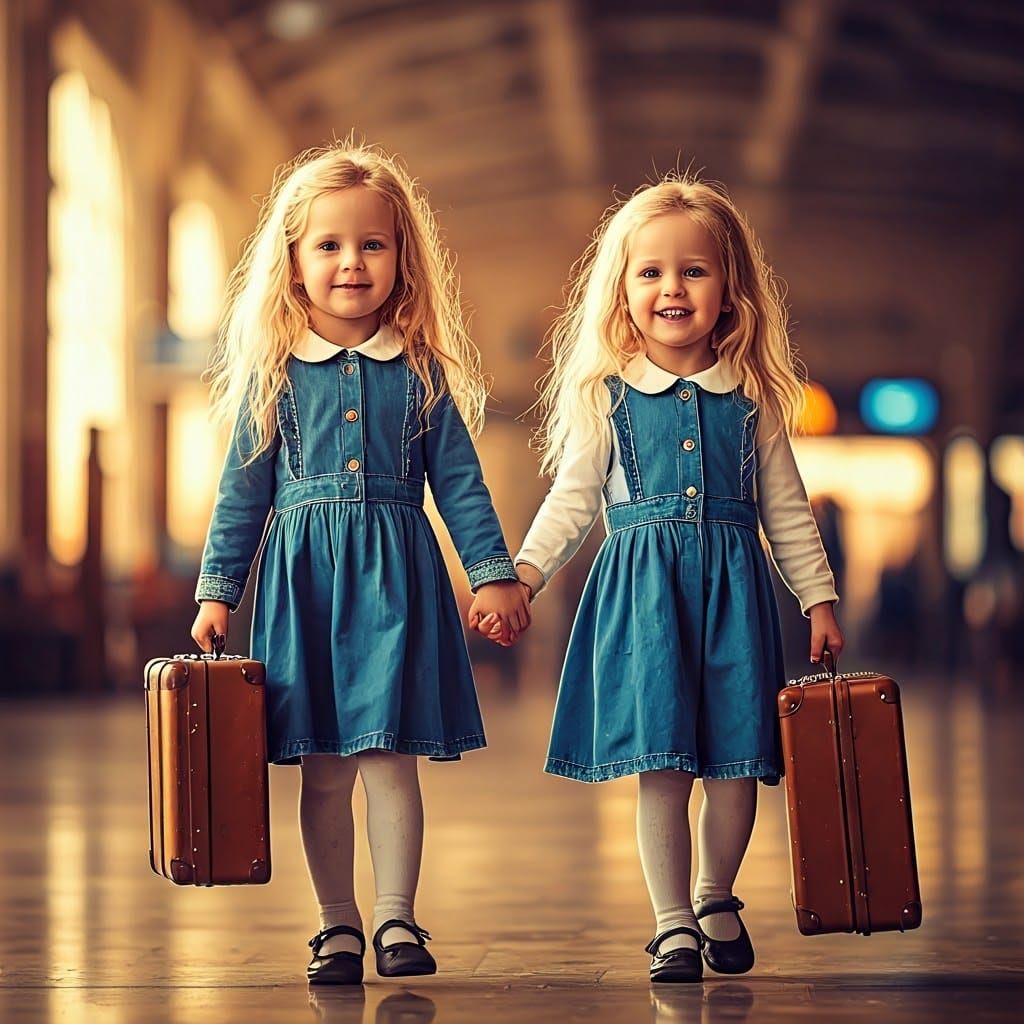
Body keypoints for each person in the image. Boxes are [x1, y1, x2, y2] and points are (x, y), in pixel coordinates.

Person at [473, 176, 843, 983]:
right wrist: (522, 575)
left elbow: (786, 510)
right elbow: (572, 500)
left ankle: (716, 893)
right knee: (662, 762)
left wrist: (818, 599)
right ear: (624, 292)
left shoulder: (756, 402)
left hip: (735, 599)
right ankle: (672, 922)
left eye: (694, 271)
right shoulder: (607, 399)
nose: (672, 287)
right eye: (651, 273)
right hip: (643, 599)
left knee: (739, 761)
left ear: (730, 289)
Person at [189, 140, 531, 986]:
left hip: (397, 584)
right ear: (295, 263)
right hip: (302, 587)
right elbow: (241, 497)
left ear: (403, 260)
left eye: (372, 245)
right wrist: (216, 592)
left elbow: (459, 482)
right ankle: (336, 923)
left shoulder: (421, 375)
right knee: (325, 765)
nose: (351, 263)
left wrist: (492, 571)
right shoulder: (273, 378)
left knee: (390, 757)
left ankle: (397, 919)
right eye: (330, 246)